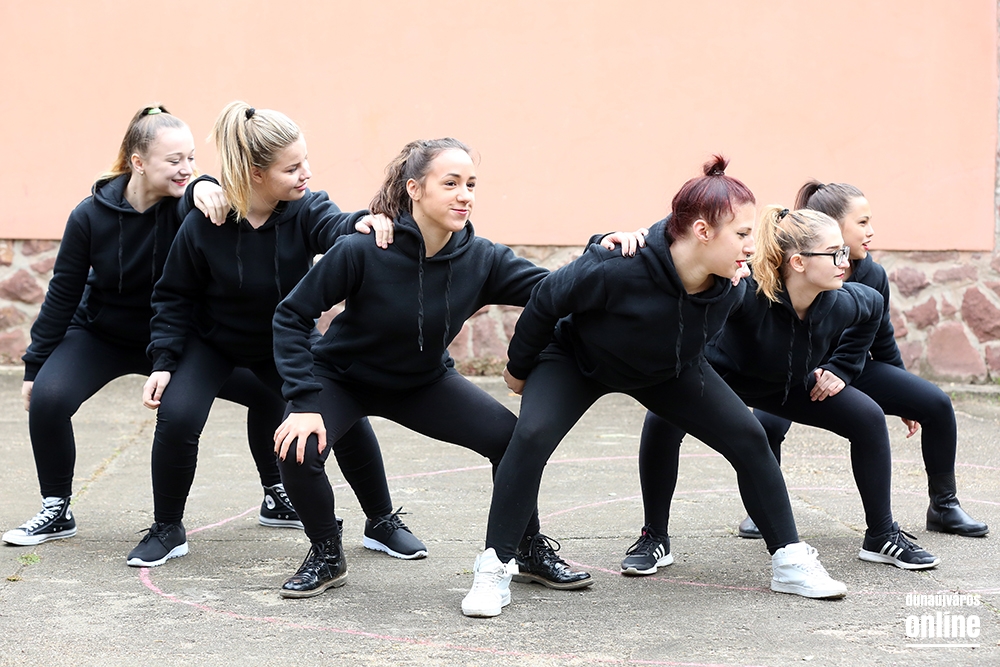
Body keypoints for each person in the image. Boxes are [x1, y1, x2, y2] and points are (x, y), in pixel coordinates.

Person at [462, 158, 849, 619]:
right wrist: (517, 368)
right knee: (530, 436)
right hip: (576, 362)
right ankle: (494, 567)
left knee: (748, 436)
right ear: (702, 231)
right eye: (742, 234)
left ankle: (789, 560)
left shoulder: (731, 285)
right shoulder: (618, 264)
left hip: (667, 371)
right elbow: (547, 299)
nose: (752, 245)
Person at [271, 137, 644, 599]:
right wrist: (303, 401)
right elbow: (291, 315)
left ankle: (526, 549)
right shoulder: (363, 249)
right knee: (297, 448)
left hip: (422, 383)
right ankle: (327, 553)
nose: (464, 195)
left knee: (511, 441)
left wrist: (600, 248)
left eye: (471, 184)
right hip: (342, 378)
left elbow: (555, 289)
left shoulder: (482, 258)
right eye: (450, 183)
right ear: (414, 189)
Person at [125, 102, 405, 567]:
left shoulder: (305, 208)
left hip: (284, 342)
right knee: (177, 416)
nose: (305, 173)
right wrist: (164, 361)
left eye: (305, 161)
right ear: (256, 173)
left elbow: (333, 224)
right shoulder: (205, 221)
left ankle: (381, 521)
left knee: (346, 414)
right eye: (292, 168)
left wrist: (362, 221)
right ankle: (167, 528)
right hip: (212, 343)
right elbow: (172, 295)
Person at [2, 104, 284, 547]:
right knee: (48, 399)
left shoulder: (188, 206)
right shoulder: (89, 215)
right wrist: (34, 366)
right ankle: (56, 508)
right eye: (174, 160)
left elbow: (199, 190)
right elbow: (62, 293)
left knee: (269, 391)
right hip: (102, 335)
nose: (186, 168)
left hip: (175, 341)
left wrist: (204, 185)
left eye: (191, 158)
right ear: (138, 162)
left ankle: (276, 494)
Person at [629, 205, 941, 580]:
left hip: (784, 384)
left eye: (844, 251)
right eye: (834, 253)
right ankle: (654, 537)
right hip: (722, 376)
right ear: (797, 262)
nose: (846, 262)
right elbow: (688, 290)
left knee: (868, 417)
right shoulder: (746, 292)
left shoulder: (842, 302)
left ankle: (881, 535)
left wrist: (843, 367)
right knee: (662, 419)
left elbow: (873, 310)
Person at [733, 181, 987, 539]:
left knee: (937, 403)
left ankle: (944, 506)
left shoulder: (872, 274)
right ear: (831, 226)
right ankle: (762, 510)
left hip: (850, 368)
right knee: (768, 425)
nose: (871, 232)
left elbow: (881, 337)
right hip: (794, 369)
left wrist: (897, 393)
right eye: (862, 222)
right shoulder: (783, 270)